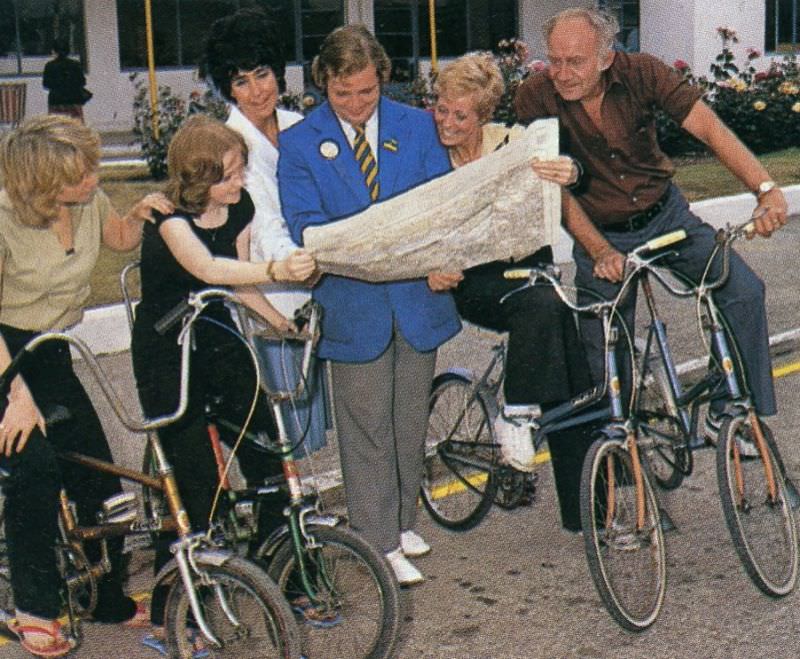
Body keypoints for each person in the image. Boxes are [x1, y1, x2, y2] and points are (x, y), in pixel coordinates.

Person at [514, 8, 788, 447]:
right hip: (597, 230)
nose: (561, 74)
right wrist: (598, 249)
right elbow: (555, 192)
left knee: (741, 291)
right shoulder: (535, 97)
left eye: (575, 62)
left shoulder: (642, 73)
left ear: (606, 57)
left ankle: (731, 410)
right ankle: (616, 455)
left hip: (665, 215)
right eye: (555, 61)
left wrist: (765, 188)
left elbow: (711, 130)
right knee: (603, 342)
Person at [278, 25, 461, 585]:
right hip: (353, 305)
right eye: (342, 94)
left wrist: (438, 255)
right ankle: (375, 540)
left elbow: (440, 203)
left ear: (381, 77)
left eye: (366, 92)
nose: (356, 105)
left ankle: (402, 521)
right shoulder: (301, 143)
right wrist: (372, 245)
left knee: (409, 420)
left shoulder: (417, 125)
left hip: (417, 300)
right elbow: (306, 224)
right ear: (322, 85)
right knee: (366, 429)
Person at [130, 115, 316, 647]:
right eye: (227, 175)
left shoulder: (241, 207)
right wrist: (278, 272)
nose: (238, 184)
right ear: (196, 180)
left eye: (240, 171)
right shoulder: (168, 220)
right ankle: (184, 608)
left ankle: (279, 571)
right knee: (195, 483)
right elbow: (209, 269)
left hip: (215, 334)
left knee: (265, 448)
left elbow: (235, 281)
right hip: (169, 350)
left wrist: (280, 324)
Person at [0, 115, 171, 657]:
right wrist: (18, 394)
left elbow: (118, 238)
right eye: (82, 174)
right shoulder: (2, 220)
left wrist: (141, 214)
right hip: (4, 351)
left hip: (50, 347)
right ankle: (33, 607)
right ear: (43, 183)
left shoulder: (88, 201)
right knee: (35, 468)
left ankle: (104, 598)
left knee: (96, 475)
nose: (95, 179)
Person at [427, 53, 594, 532]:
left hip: (528, 271)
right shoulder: (430, 156)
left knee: (572, 370)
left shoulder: (513, 143)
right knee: (544, 306)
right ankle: (518, 416)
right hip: (473, 280)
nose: (448, 123)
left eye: (462, 115)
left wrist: (570, 172)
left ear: (484, 115)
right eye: (442, 109)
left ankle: (587, 511)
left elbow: (570, 168)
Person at [201, 8, 329, 455]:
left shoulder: (303, 127)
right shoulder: (225, 147)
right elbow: (257, 226)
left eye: (263, 74)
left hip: (321, 288)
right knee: (290, 437)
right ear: (226, 88)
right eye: (241, 82)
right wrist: (299, 264)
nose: (257, 91)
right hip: (270, 298)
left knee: (323, 428)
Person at [42, 38, 89, 122]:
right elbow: (82, 81)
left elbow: (46, 84)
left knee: (55, 126)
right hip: (74, 100)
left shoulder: (49, 66)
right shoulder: (75, 64)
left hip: (56, 101)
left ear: (54, 51)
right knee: (77, 127)